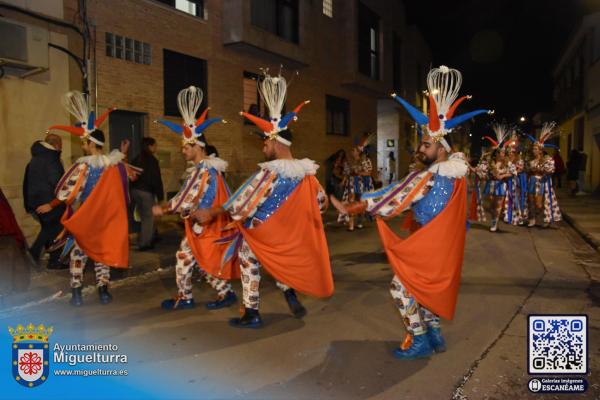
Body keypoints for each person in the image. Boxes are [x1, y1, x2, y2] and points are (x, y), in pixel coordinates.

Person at [332, 65, 492, 359]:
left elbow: (397, 196)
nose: (420, 148)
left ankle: (419, 340)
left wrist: (357, 205)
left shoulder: (435, 174)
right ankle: (434, 335)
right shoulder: (452, 173)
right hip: (440, 245)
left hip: (431, 244)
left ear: (441, 148)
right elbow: (405, 188)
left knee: (400, 289)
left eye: (426, 144)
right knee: (425, 290)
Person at [193, 70, 333, 328]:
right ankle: (286, 288)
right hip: (285, 234)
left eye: (265, 143)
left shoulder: (271, 173)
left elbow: (244, 200)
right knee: (274, 261)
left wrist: (212, 213)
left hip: (261, 231)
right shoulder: (307, 173)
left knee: (249, 262)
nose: (263, 147)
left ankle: (252, 313)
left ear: (275, 142)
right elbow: (321, 201)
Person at [39, 91, 134, 306]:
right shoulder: (116, 165)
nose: (82, 145)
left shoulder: (83, 166)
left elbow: (66, 193)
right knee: (101, 255)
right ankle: (103, 290)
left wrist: (55, 203)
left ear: (89, 142)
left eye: (83, 141)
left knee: (78, 255)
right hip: (106, 219)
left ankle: (77, 293)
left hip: (86, 218)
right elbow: (123, 192)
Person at [153, 86, 239, 310]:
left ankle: (200, 296)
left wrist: (165, 208)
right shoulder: (200, 169)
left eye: (186, 146)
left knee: (197, 259)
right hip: (199, 226)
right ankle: (195, 296)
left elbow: (188, 198)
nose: (183, 150)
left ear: (198, 146)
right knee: (188, 258)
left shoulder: (205, 171)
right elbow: (187, 196)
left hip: (206, 227)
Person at [23, 134, 67, 268]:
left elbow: (26, 182)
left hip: (36, 201)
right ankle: (45, 258)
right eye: (61, 146)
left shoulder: (35, 158)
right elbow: (58, 182)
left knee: (50, 229)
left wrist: (30, 204)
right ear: (57, 145)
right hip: (49, 202)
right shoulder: (51, 158)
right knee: (57, 229)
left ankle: (42, 256)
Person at [525, 122, 562, 227]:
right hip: (531, 181)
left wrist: (543, 170)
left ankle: (542, 217)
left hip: (540, 182)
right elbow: (526, 169)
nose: (534, 150)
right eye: (533, 149)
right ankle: (532, 219)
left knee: (539, 203)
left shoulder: (547, 159)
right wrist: (529, 169)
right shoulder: (531, 160)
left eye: (535, 149)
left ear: (540, 150)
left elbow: (551, 170)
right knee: (531, 201)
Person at [131, 137, 164, 250]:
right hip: (146, 192)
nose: (156, 148)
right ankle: (145, 244)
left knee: (144, 217)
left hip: (135, 191)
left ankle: (151, 236)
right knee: (148, 218)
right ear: (150, 146)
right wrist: (160, 196)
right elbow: (156, 179)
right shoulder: (152, 160)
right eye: (155, 145)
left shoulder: (136, 159)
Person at [483, 124, 511, 232]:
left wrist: (503, 175)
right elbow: (483, 172)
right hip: (491, 185)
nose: (503, 154)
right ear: (496, 154)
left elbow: (513, 173)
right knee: (491, 206)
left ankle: (494, 223)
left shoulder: (507, 163)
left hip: (501, 185)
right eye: (501, 152)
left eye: (504, 152)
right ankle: (494, 218)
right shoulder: (490, 163)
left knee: (498, 206)